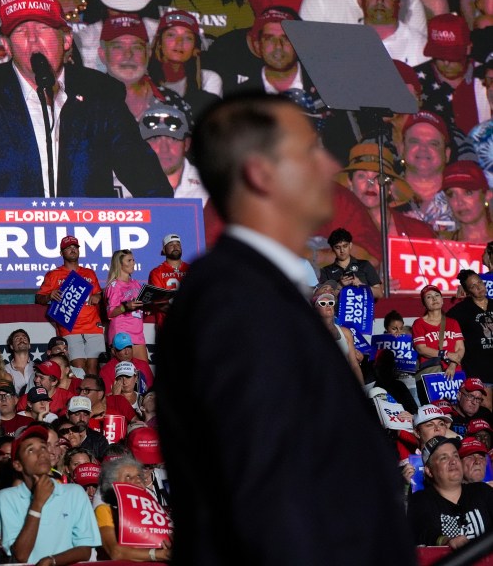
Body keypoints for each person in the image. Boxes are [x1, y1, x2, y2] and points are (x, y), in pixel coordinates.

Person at [156, 92, 414, 563]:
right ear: (261, 173)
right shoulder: (234, 302)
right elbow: (267, 492)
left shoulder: (264, 293)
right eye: (309, 151)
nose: (329, 163)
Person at [0, 0, 172, 198]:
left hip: (84, 240)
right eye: (22, 32)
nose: (34, 41)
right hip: (6, 243)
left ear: (66, 40)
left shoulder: (101, 92)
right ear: (7, 46)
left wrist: (169, 230)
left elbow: (146, 179)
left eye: (43, 29)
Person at [0, 424, 100, 564]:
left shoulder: (74, 493)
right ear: (17, 465)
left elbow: (85, 549)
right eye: (31, 450)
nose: (41, 454)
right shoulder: (7, 497)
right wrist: (37, 504)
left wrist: (53, 561)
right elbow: (21, 555)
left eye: (43, 447)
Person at [36, 235, 104, 376]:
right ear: (61, 253)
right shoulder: (53, 275)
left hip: (93, 326)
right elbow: (39, 298)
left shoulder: (89, 273)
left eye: (75, 247)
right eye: (68, 248)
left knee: (93, 368)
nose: (72, 250)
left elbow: (100, 294)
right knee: (78, 368)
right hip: (70, 328)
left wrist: (98, 296)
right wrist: (49, 295)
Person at [408, 436, 493, 548]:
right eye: (444, 458)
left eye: (456, 456)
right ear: (429, 470)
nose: (453, 461)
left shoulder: (482, 491)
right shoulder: (420, 500)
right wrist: (446, 541)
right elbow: (424, 532)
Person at [94, 454, 172, 562]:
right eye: (128, 477)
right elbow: (115, 553)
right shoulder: (105, 511)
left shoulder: (152, 509)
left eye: (139, 476)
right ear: (113, 484)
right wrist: (158, 554)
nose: (138, 480)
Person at [356, 0, 427, 66]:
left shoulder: (418, 45)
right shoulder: (345, 42)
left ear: (399, 3)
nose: (379, 0)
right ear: (359, 1)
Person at [139, 102, 207, 200]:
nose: (164, 148)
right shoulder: (122, 187)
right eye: (154, 138)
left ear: (187, 144)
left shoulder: (211, 187)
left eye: (173, 139)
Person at [448, 269, 493, 387]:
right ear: (467, 291)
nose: (479, 287)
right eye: (473, 286)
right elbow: (445, 328)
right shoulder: (460, 311)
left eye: (479, 282)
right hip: (478, 371)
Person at [413, 284, 465, 384]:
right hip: (432, 372)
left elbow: (460, 348)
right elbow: (421, 349)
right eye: (429, 297)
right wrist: (446, 354)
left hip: (454, 371)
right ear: (424, 303)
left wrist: (453, 365)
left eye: (437, 295)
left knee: (458, 399)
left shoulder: (453, 322)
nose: (434, 299)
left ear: (442, 300)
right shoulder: (419, 323)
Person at [104, 249, 147, 361]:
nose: (133, 263)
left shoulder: (136, 283)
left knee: (144, 372)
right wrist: (125, 307)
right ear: (119, 264)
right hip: (122, 332)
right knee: (123, 371)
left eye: (133, 260)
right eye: (129, 260)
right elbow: (110, 312)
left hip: (137, 332)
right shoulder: (114, 286)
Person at [312, 291, 363, 384]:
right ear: (316, 309)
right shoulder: (312, 333)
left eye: (330, 303)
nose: (328, 305)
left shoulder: (346, 332)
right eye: (323, 303)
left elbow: (354, 365)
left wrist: (362, 389)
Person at [318, 228, 383, 300]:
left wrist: (361, 285)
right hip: (339, 310)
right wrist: (340, 286)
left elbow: (379, 293)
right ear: (332, 249)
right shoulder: (326, 271)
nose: (342, 250)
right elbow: (324, 298)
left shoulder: (365, 265)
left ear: (350, 245)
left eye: (345, 246)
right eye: (337, 247)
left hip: (362, 310)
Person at [441, 160, 493, 243]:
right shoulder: (444, 246)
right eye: (451, 194)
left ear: (487, 195)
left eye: (468, 192)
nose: (459, 202)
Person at [147, 233, 189, 331]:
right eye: (171, 245)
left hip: (191, 324)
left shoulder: (191, 269)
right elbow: (159, 302)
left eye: (178, 244)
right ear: (164, 250)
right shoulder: (157, 272)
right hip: (168, 325)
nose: (175, 247)